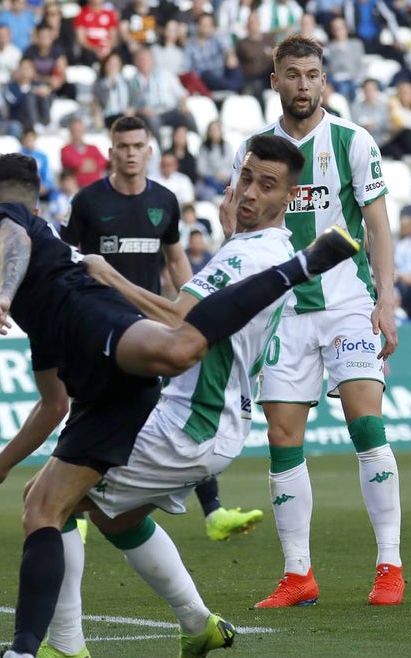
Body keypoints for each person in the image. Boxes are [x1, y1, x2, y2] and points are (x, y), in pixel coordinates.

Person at [0, 151, 359, 658]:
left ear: (290, 198)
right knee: (113, 515)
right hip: (203, 416)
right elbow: (56, 400)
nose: (249, 194)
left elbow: (183, 322)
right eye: (246, 180)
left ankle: (64, 647)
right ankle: (197, 624)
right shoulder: (244, 246)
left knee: (50, 501)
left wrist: (107, 276)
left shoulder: (251, 252)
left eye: (267, 185)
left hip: (193, 418)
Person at [233, 34, 404, 608]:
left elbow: (378, 225)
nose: (303, 85)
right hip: (283, 313)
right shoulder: (255, 151)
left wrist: (386, 300)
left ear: (324, 81)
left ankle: (389, 564)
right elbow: (241, 225)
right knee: (283, 439)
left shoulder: (353, 140)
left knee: (366, 424)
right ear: (275, 81)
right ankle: (298, 574)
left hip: (348, 304)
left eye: (312, 74)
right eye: (293, 74)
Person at [62, 115, 263, 540]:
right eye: (123, 146)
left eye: (138, 145)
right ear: (111, 152)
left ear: (150, 151)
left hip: (151, 326)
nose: (131, 153)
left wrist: (190, 309)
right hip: (101, 327)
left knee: (173, 409)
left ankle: (213, 512)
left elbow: (175, 261)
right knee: (87, 407)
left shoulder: (165, 202)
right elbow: (72, 265)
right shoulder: (87, 203)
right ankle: (72, 507)